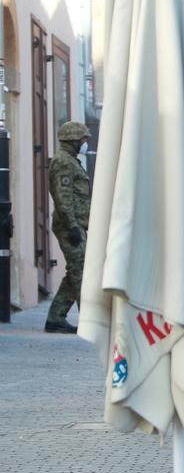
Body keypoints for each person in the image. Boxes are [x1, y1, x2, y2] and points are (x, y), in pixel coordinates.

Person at [45, 121, 92, 334]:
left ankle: (56, 317)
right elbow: (63, 197)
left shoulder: (71, 161)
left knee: (77, 269)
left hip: (76, 224)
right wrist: (72, 225)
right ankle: (90, 320)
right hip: (68, 225)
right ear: (73, 140)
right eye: (83, 139)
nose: (85, 143)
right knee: (81, 270)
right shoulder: (64, 162)